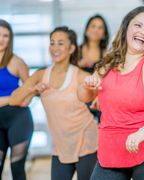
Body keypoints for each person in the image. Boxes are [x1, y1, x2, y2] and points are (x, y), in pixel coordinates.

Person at [78, 6, 144, 180]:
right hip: (110, 152)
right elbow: (84, 97)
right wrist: (87, 85)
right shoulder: (108, 63)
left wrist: (143, 132)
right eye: (138, 25)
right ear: (126, 29)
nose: (143, 32)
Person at [10, 26, 98, 180]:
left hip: (87, 142)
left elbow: (100, 97)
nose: (55, 48)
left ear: (71, 48)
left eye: (60, 43)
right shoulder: (41, 75)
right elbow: (14, 99)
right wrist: (33, 89)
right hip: (60, 147)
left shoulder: (80, 75)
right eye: (52, 43)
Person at [0, 19, 33, 180]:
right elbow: (16, 97)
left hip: (19, 119)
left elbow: (30, 91)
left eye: (5, 36)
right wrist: (12, 98)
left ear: (10, 39)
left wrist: (25, 97)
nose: (1, 40)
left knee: (17, 168)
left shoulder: (17, 62)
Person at [79, 14, 110, 121]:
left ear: (104, 34)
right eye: (93, 26)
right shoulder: (75, 52)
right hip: (79, 97)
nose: (96, 30)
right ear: (87, 30)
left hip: (99, 97)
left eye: (100, 27)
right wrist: (79, 65)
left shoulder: (107, 54)